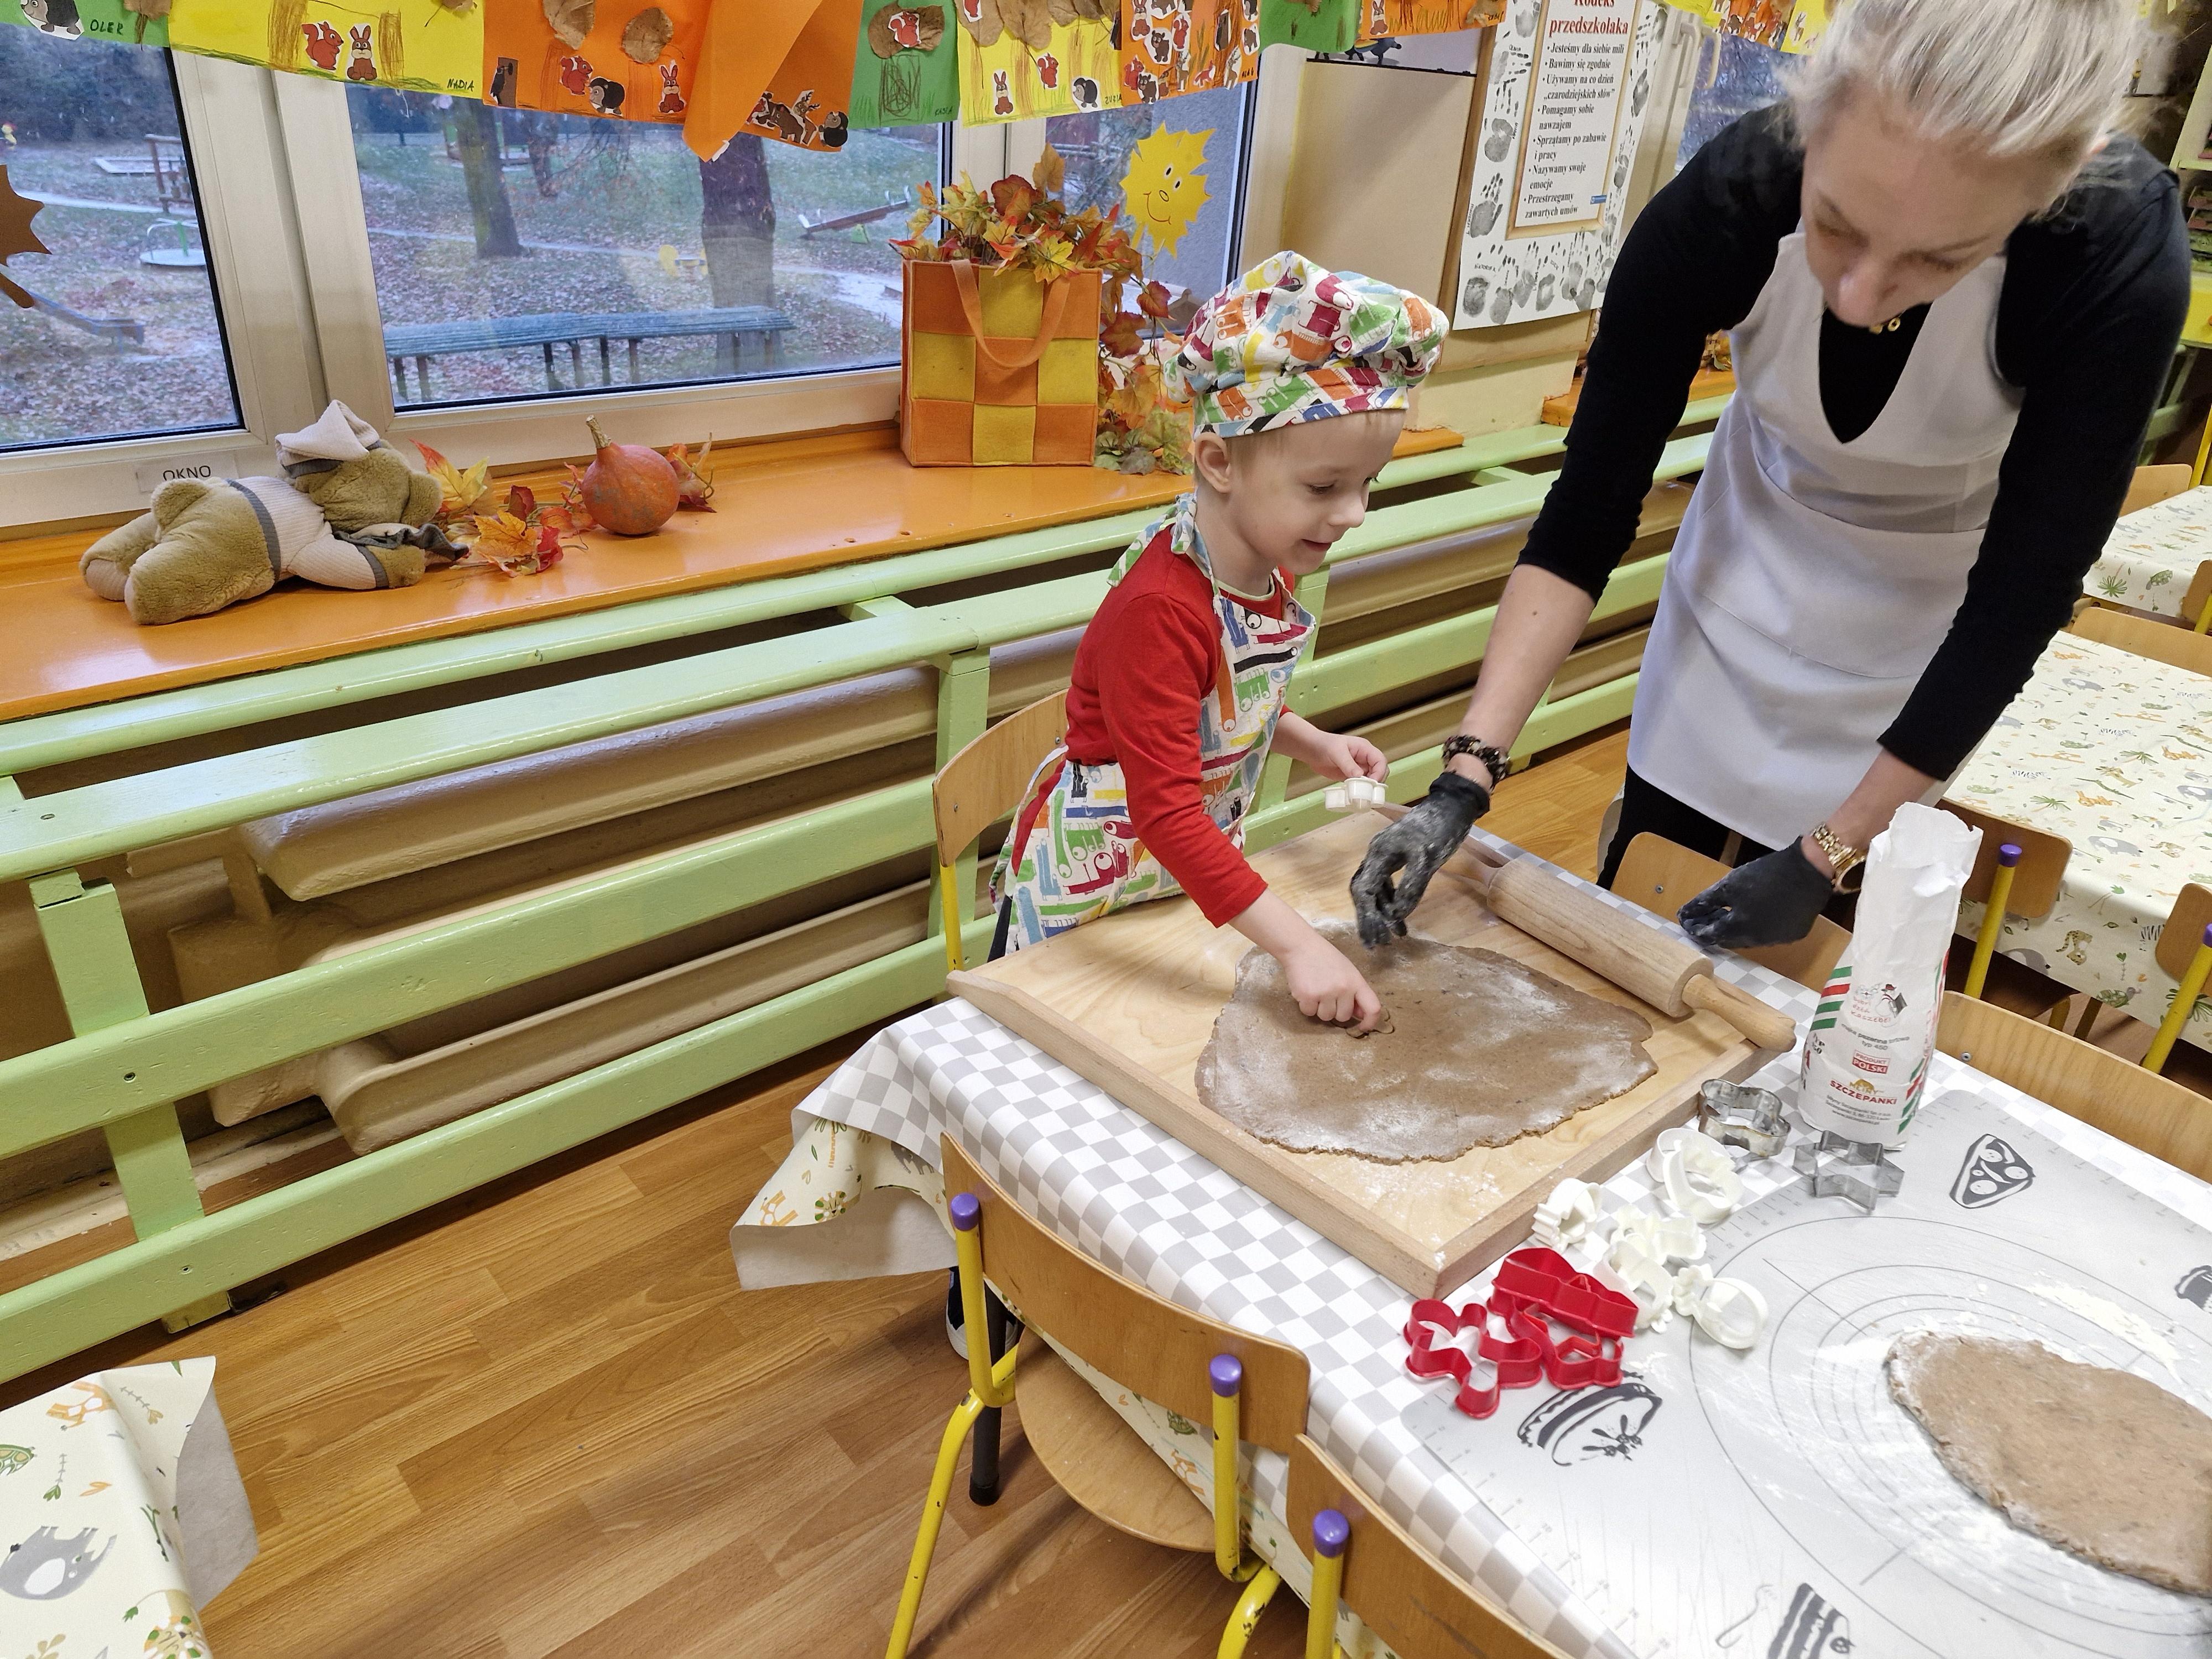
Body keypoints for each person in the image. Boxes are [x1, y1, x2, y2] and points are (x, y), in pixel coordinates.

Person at [1352, 0, 2187, 952]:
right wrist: (1465, 776)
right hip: (1738, 588)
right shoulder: (1730, 199)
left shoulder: (2113, 255)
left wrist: (1830, 852)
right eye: (1836, 224)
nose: (1859, 296)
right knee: (1647, 878)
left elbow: (2020, 599)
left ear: (2055, 185)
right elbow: (1588, 506)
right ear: (1813, 122)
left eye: (1939, 258)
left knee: (1812, 962)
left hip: (1931, 641)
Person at [989, 249, 1444, 1030]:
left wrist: (1310, 742)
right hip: (1087, 900)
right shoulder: (1162, 610)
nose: (1353, 514)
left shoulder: (1265, 568)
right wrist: (1298, 947)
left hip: (1175, 887)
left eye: (1367, 484)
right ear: (1218, 462)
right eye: (1324, 487)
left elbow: (1217, 706)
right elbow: (1166, 811)